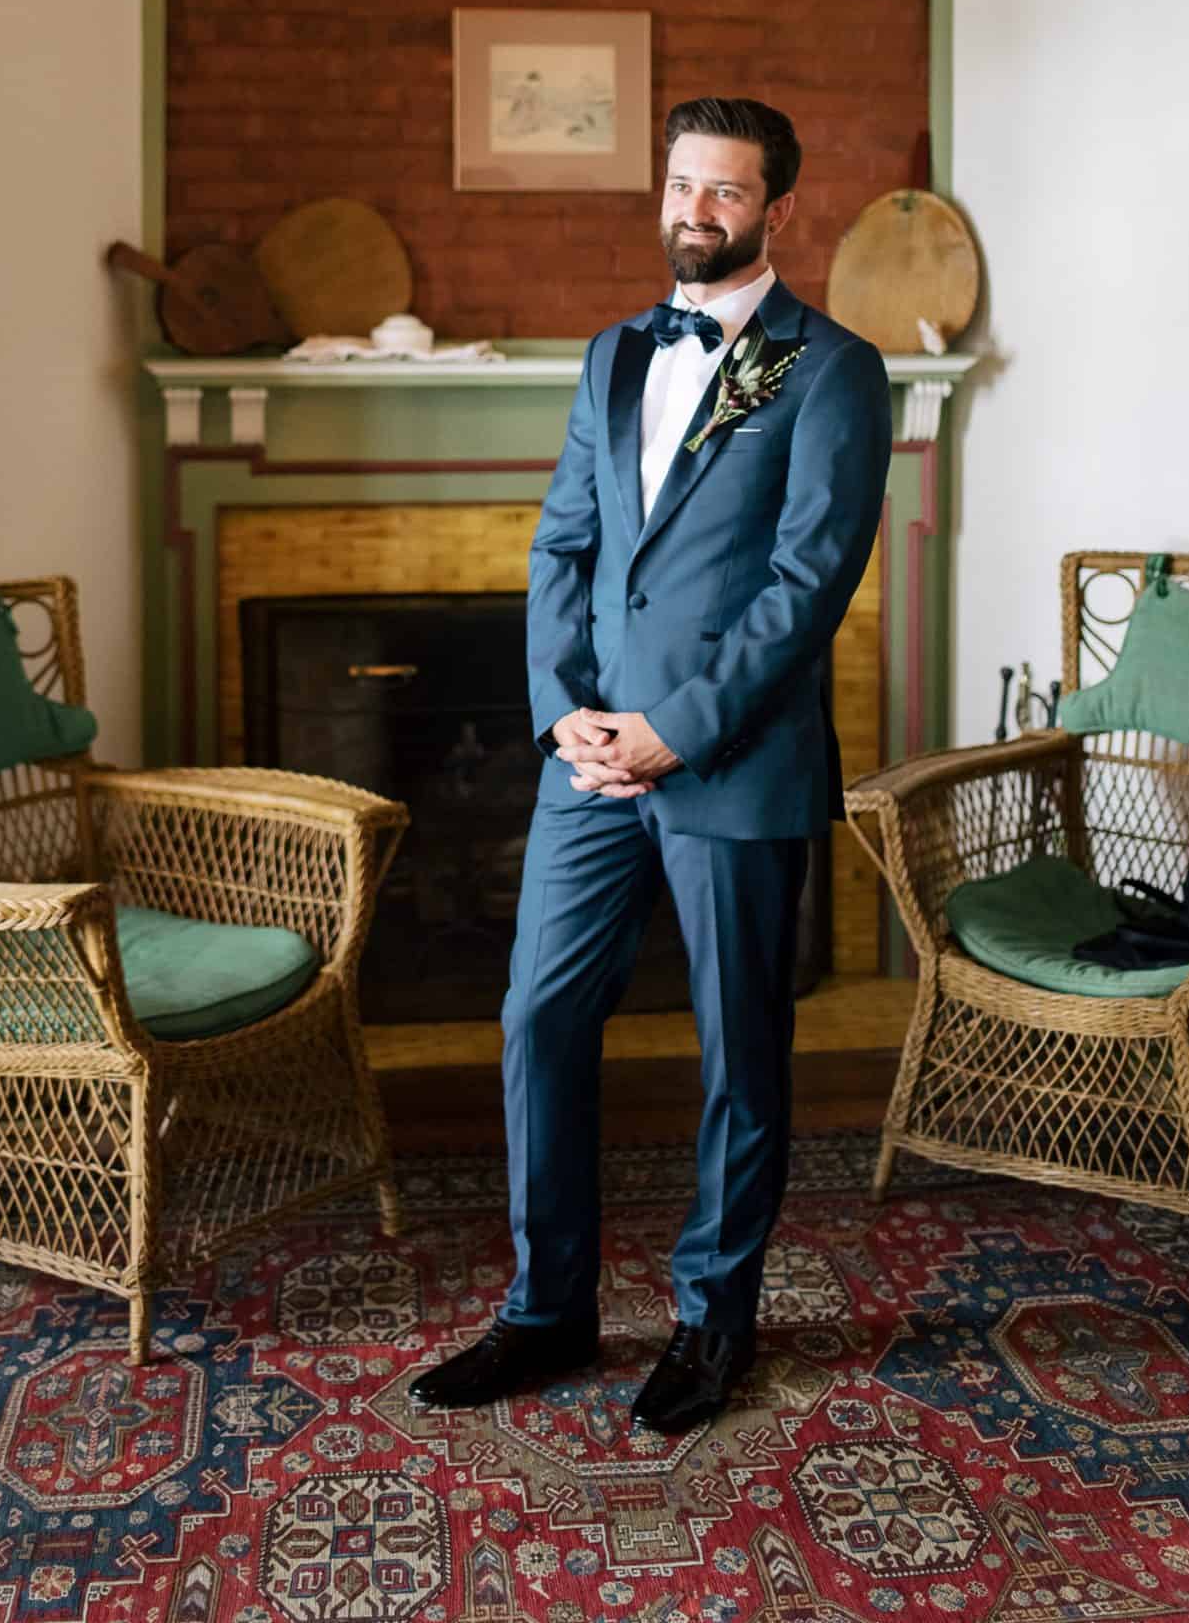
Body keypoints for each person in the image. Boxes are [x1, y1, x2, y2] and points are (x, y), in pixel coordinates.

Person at [410, 95, 893, 1432]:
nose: (696, 211)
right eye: (681, 185)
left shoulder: (832, 368)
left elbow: (807, 587)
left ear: (777, 210)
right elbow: (561, 545)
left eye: (725, 193)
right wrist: (567, 713)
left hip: (729, 763)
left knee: (742, 1049)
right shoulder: (614, 352)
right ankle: (544, 1309)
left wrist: (676, 728)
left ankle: (711, 1318)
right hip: (590, 765)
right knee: (536, 1019)